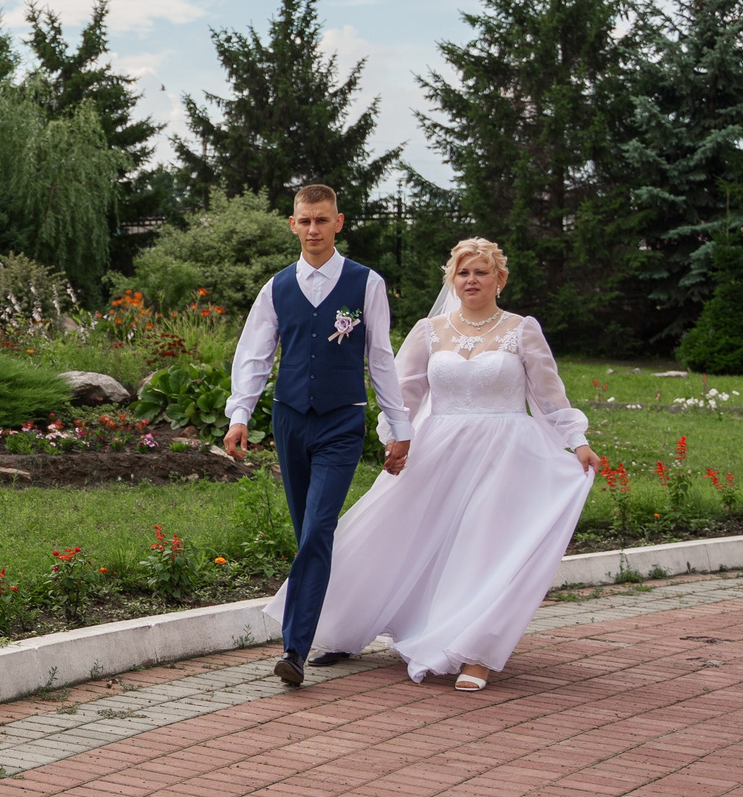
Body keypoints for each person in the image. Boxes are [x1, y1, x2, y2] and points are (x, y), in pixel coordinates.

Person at [296, 238, 599, 691]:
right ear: (451, 279)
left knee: (484, 547)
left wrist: (577, 442)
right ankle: (344, 628)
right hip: (438, 448)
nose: (471, 280)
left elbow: (550, 396)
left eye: (481, 272)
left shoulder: (522, 329)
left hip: (505, 453)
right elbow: (404, 393)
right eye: (463, 273)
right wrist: (395, 439)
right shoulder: (430, 330)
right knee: (395, 536)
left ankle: (474, 652)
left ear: (500, 278)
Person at [223, 183, 413, 688]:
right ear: (292, 224)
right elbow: (255, 355)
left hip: (341, 422)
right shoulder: (277, 287)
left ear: (338, 222)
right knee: (307, 534)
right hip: (290, 420)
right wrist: (239, 414)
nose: (313, 229)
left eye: (322, 220)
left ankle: (295, 649)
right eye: (305, 221)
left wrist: (400, 426)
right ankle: (337, 623)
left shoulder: (365, 283)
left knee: (317, 530)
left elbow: (382, 359)